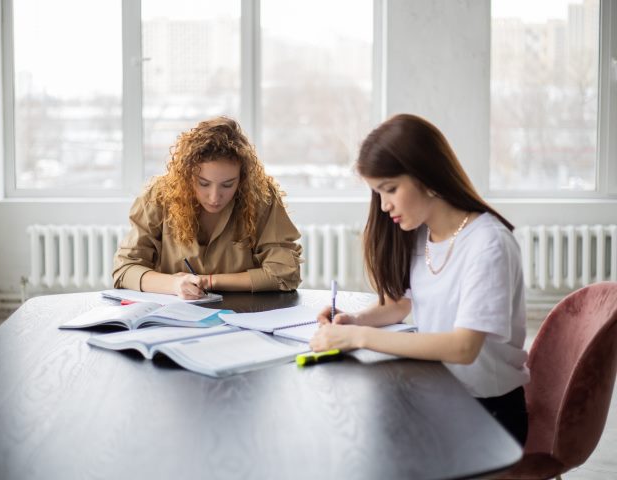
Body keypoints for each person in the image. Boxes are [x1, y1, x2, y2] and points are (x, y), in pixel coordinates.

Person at [310, 113, 530, 445]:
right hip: (442, 394)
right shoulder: (422, 234)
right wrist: (354, 320)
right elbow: (400, 306)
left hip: (489, 415)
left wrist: (358, 338)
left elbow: (463, 347)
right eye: (378, 194)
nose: (384, 206)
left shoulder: (489, 244)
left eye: (390, 190)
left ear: (426, 176)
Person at [113, 116, 302, 298]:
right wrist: (174, 285)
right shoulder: (159, 196)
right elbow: (125, 269)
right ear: (187, 175)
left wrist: (209, 281)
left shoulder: (261, 196)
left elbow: (284, 273)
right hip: (172, 320)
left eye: (228, 185)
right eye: (203, 183)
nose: (214, 197)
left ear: (243, 179)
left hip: (244, 315)